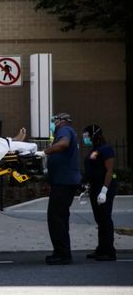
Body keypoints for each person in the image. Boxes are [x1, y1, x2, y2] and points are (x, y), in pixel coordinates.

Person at [43, 113, 82, 265]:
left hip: (63, 183)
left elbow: (64, 144)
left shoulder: (64, 130)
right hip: (63, 182)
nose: (52, 124)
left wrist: (46, 151)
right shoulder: (67, 131)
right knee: (60, 218)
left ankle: (63, 254)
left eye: (54, 121)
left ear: (61, 121)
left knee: (56, 218)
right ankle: (61, 252)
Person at [82, 124, 117, 261]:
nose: (85, 138)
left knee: (105, 218)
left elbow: (109, 171)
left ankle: (109, 251)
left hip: (104, 188)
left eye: (87, 136)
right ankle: (101, 249)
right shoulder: (94, 149)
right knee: (99, 219)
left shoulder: (106, 149)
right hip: (95, 187)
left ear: (95, 135)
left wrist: (104, 191)